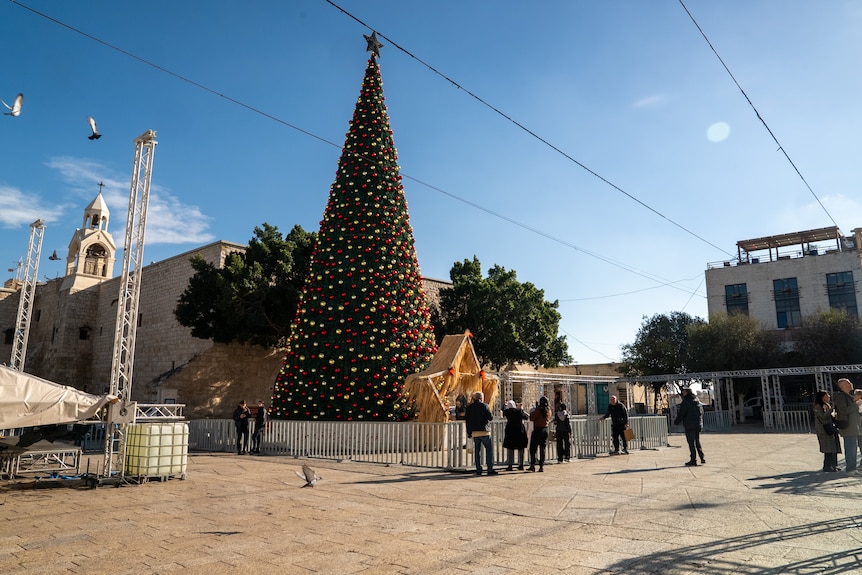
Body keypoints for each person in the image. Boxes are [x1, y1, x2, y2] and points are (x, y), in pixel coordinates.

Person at [464, 391, 497, 476]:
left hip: (475, 432)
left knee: (477, 452)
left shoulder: (469, 407)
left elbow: (467, 421)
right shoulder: (485, 406)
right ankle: (489, 468)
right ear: (481, 398)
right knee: (489, 450)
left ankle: (478, 469)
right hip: (484, 431)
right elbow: (490, 417)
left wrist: (469, 432)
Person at [832, 378, 861, 474]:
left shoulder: (848, 396)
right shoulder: (841, 397)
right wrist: (856, 405)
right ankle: (850, 469)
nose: (851, 384)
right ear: (843, 386)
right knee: (850, 448)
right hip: (848, 426)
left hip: (853, 426)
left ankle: (852, 468)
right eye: (848, 383)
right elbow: (843, 410)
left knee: (853, 447)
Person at [673, 388, 705, 466]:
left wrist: (676, 422)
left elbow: (682, 413)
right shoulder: (697, 400)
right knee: (697, 441)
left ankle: (693, 459)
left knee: (691, 442)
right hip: (698, 424)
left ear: (686, 393)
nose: (682, 394)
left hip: (689, 424)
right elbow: (702, 412)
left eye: (683, 392)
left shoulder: (686, 401)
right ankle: (702, 457)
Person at [813, 390, 841, 472]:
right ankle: (827, 466)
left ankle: (833, 465)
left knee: (833, 447)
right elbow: (823, 417)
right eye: (827, 395)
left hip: (830, 428)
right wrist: (831, 410)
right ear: (822, 397)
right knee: (828, 448)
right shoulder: (818, 406)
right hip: (823, 430)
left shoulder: (827, 405)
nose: (829, 396)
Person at [502, 400, 528, 471]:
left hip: (510, 431)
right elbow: (526, 417)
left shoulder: (507, 412)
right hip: (519, 431)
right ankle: (521, 464)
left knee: (510, 448)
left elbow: (504, 409)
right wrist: (521, 409)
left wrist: (505, 405)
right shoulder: (518, 412)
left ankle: (510, 465)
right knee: (521, 448)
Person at [528, 396, 551, 472]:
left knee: (533, 448)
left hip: (537, 429)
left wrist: (533, 411)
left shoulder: (538, 410)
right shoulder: (548, 410)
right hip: (545, 430)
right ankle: (541, 466)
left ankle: (532, 465)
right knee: (542, 449)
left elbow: (532, 418)